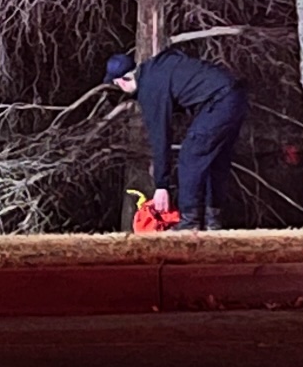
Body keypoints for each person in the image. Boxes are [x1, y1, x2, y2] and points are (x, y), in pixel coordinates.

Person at [105, 47, 247, 231]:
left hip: (219, 101)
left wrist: (161, 186)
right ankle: (212, 220)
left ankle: (189, 222)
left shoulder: (150, 89)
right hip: (236, 96)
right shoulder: (157, 68)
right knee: (214, 160)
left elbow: (160, 138)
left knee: (190, 156)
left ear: (120, 81)